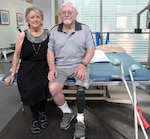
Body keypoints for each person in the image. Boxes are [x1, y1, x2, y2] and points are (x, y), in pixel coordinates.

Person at [47, 2, 95, 139]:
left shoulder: (84, 29)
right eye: (64, 12)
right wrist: (51, 68)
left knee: (80, 88)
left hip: (79, 64)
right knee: (53, 89)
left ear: (76, 14)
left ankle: (80, 120)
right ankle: (67, 112)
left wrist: (83, 64)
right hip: (60, 66)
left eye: (70, 12)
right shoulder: (55, 30)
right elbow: (50, 51)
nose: (67, 14)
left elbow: (91, 49)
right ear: (60, 15)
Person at [4, 6, 50, 134]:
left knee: (44, 85)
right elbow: (17, 55)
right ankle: (35, 117)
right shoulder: (22, 35)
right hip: (27, 67)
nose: (35, 19)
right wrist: (12, 73)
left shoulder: (48, 33)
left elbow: (52, 52)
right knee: (29, 88)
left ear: (42, 19)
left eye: (38, 17)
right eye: (32, 17)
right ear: (27, 20)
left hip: (43, 66)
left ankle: (42, 112)